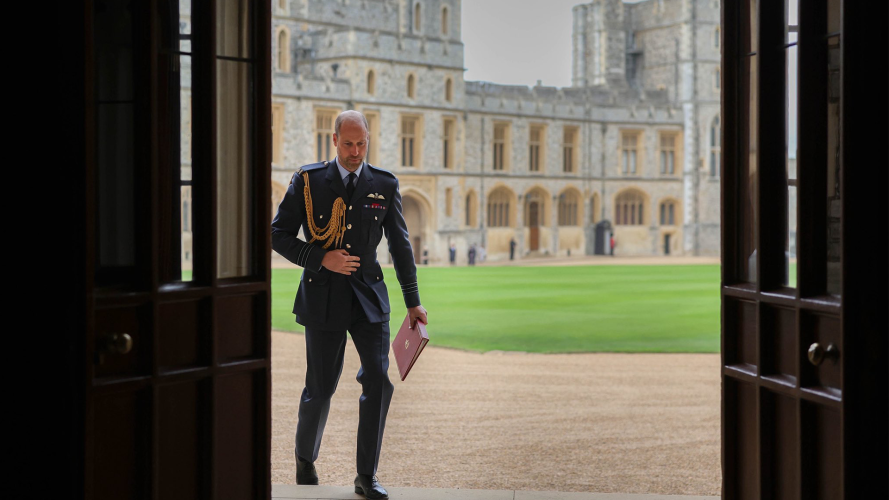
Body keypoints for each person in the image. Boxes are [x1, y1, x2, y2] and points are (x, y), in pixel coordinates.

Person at [272, 110, 427, 500]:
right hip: (322, 295)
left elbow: (400, 246)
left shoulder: (385, 184)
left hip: (369, 298)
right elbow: (278, 235)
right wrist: (321, 257)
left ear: (368, 140)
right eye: (348, 144)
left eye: (362, 144)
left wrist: (413, 302)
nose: (356, 152)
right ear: (334, 141)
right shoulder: (308, 181)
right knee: (320, 389)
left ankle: (366, 476)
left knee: (378, 379)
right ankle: (305, 460)